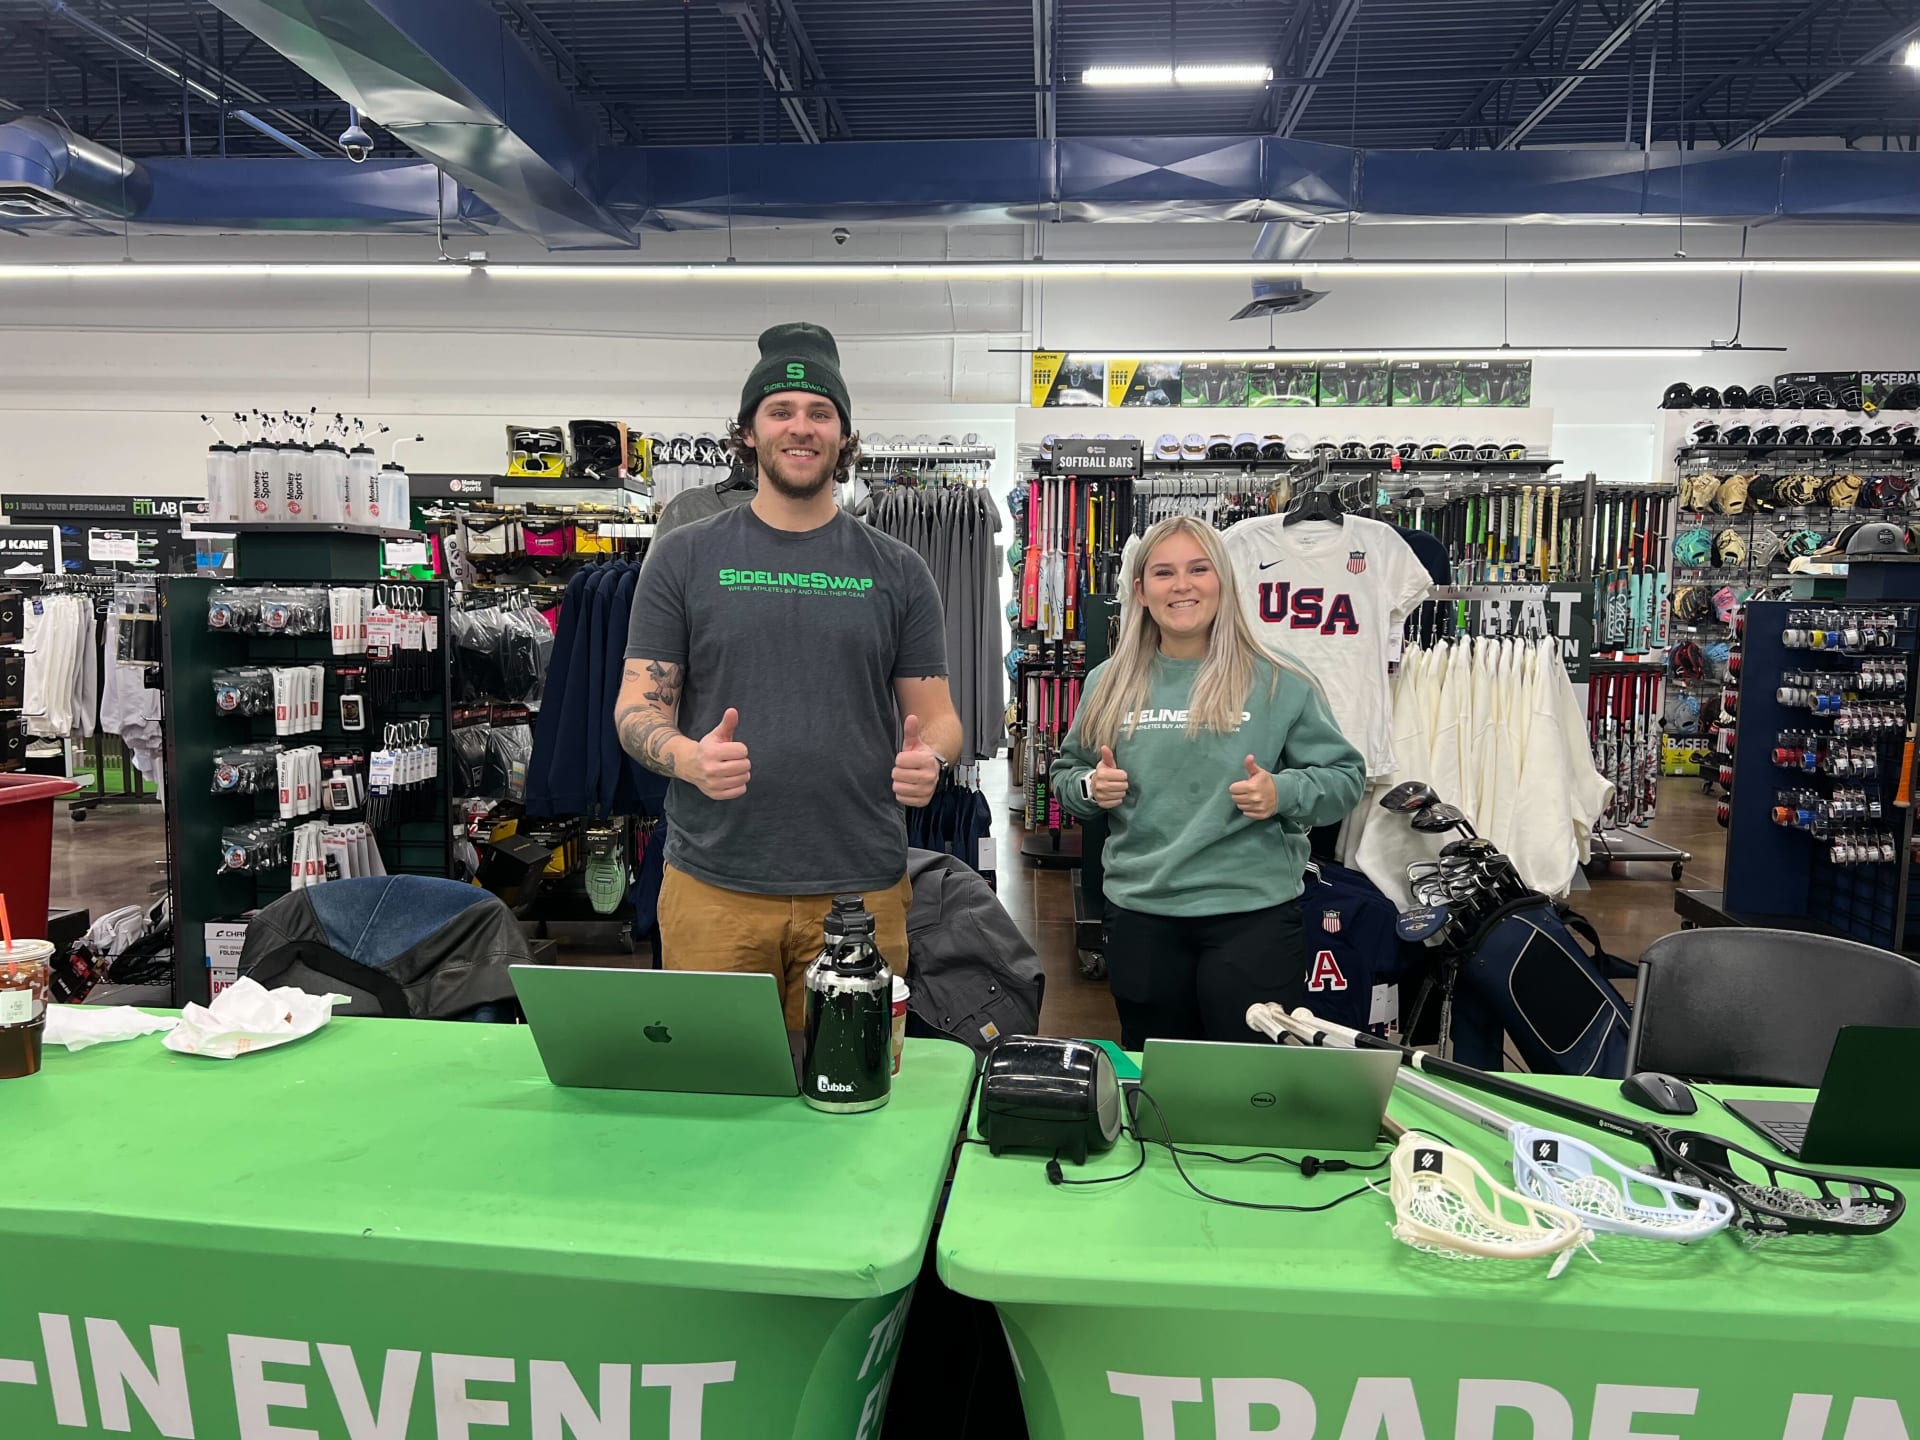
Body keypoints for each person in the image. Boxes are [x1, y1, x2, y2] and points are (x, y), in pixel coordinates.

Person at [617, 322, 963, 1026]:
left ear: (843, 435)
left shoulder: (899, 569)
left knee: (855, 1085)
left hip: (861, 891)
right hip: (715, 886)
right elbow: (636, 709)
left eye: (819, 412)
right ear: (749, 432)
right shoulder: (683, 556)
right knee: (720, 1083)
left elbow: (941, 717)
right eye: (780, 410)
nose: (800, 427)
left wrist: (932, 758)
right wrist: (687, 758)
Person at [1051, 516, 1367, 1048]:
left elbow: (1345, 778)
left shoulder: (1280, 677)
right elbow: (1067, 774)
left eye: (1198, 569)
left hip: (1253, 916)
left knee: (1248, 1080)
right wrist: (1090, 788)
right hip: (1142, 914)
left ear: (1223, 580)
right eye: (1164, 573)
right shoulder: (1108, 682)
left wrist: (1282, 793)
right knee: (1159, 1077)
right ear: (1141, 592)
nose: (1182, 585)